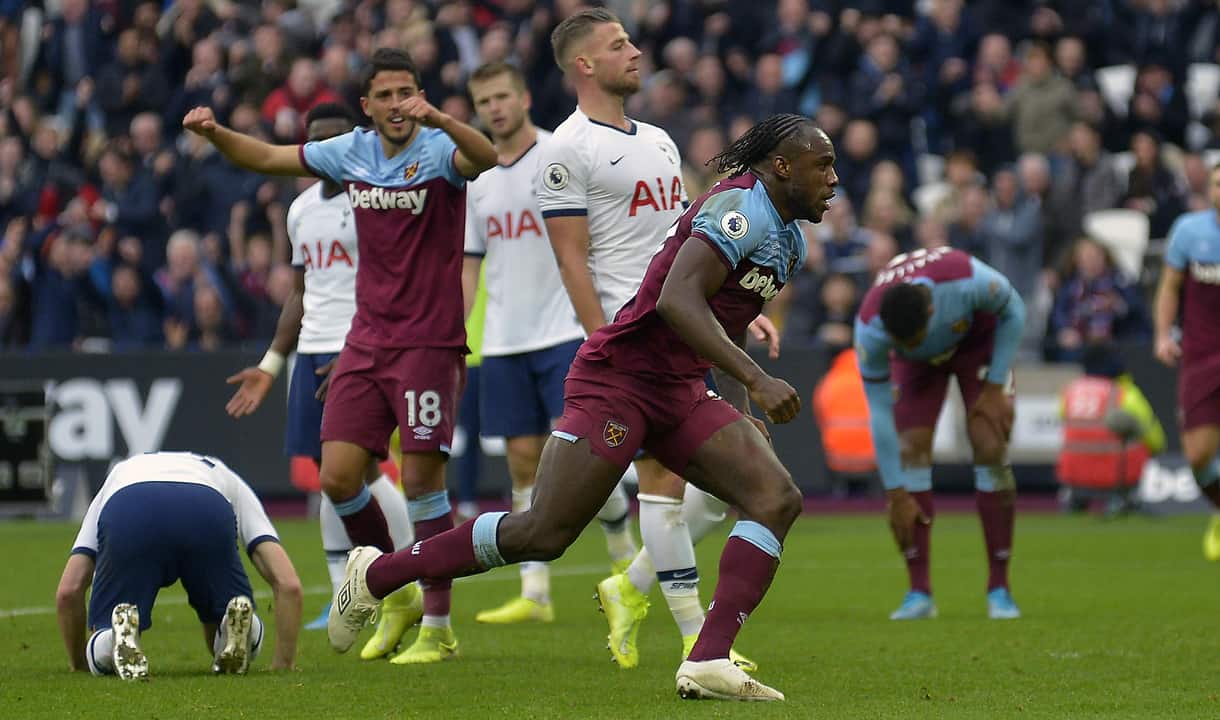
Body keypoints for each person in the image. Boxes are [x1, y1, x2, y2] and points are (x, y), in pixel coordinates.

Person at [328, 114, 838, 702]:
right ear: (780, 167)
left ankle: (708, 658)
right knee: (541, 533)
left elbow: (725, 321)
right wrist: (758, 379)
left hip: (679, 390)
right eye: (821, 165)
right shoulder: (740, 211)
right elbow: (678, 301)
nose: (833, 178)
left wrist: (746, 398)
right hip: (619, 380)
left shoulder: (789, 239)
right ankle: (376, 574)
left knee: (776, 498)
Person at [183, 46, 497, 664]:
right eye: (385, 95)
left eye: (406, 91)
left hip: (428, 343)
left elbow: (486, 156)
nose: (397, 104)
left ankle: (438, 626)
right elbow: (269, 157)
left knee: (424, 485)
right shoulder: (349, 150)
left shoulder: (438, 151)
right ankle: (394, 586)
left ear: (419, 95)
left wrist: (442, 119)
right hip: (365, 340)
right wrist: (217, 134)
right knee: (337, 476)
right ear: (367, 105)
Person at [538, 8, 773, 669]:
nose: (636, 52)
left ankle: (631, 585)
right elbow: (570, 258)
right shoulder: (567, 149)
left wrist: (739, 310)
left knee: (737, 482)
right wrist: (607, 345)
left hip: (686, 332)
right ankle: (699, 639)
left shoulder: (662, 141)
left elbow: (691, 246)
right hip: (633, 343)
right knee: (665, 481)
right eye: (619, 45)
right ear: (585, 64)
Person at [221, 102, 418, 651]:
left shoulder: (374, 201)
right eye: (316, 144)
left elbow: (392, 281)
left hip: (361, 347)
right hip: (311, 350)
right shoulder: (302, 209)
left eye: (336, 140)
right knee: (328, 472)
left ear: (353, 141)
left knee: (363, 471)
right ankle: (343, 591)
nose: (326, 154)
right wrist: (270, 364)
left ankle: (411, 574)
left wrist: (364, 346)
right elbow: (301, 295)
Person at [462, 61, 617, 624]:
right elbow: (470, 263)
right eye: (484, 102)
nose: (495, 108)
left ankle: (621, 556)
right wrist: (460, 329)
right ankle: (536, 593)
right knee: (523, 461)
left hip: (563, 330)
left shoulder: (559, 155)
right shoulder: (475, 173)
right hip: (504, 338)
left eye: (503, 96)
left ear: (524, 97)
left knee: (582, 457)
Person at [854, 246, 1026, 621]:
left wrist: (996, 385)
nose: (907, 348)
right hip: (917, 370)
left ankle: (1000, 587)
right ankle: (919, 593)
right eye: (900, 345)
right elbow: (880, 413)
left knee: (989, 441)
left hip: (978, 340)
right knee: (910, 448)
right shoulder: (871, 329)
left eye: (912, 341)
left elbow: (1015, 309)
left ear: (931, 312)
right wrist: (895, 491)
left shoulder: (965, 279)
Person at [54, 452, 303, 679]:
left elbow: (69, 591)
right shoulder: (222, 473)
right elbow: (288, 584)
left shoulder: (120, 473)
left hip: (130, 504)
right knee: (224, 614)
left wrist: (79, 663)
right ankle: (231, 626)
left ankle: (112, 638)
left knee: (107, 630)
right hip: (207, 505)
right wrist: (283, 663)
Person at [1153, 162, 1220, 561]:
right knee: (1197, 459)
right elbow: (1169, 287)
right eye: (1216, 182)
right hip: (1200, 356)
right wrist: (1163, 334)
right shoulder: (1189, 231)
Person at [1057, 343, 1165, 515]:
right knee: (1140, 438)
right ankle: (1126, 500)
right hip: (1112, 474)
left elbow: (1062, 420)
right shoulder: (1124, 393)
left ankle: (1075, 500)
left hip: (1072, 473)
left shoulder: (1070, 392)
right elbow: (1155, 439)